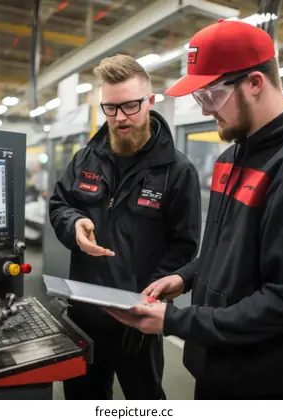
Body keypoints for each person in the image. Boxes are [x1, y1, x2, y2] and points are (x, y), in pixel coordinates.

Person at [106, 20, 283, 399]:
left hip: (260, 383)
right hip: (216, 366)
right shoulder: (232, 156)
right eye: (200, 99)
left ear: (255, 83)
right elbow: (227, 250)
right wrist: (185, 277)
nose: (207, 111)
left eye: (211, 96)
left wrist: (176, 320)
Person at [48, 54, 202, 400]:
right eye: (110, 108)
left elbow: (184, 246)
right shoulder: (86, 158)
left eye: (130, 106)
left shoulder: (176, 171)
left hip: (139, 318)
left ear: (150, 101)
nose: (120, 118)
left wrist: (147, 300)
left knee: (145, 399)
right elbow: (60, 205)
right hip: (84, 315)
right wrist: (75, 225)